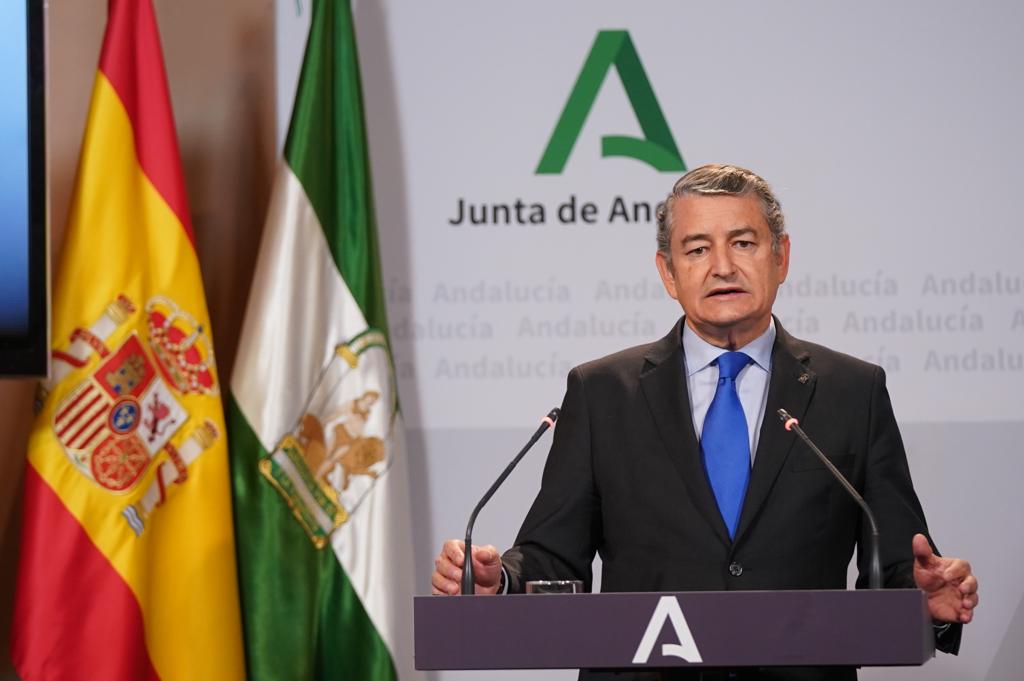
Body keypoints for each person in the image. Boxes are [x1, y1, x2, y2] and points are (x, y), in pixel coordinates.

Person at [431, 164, 978, 680]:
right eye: (697, 249)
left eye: (743, 243)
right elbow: (555, 555)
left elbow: (896, 558)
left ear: (782, 257)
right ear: (668, 273)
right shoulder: (601, 393)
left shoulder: (853, 391)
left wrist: (926, 603)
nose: (722, 267)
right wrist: (500, 583)